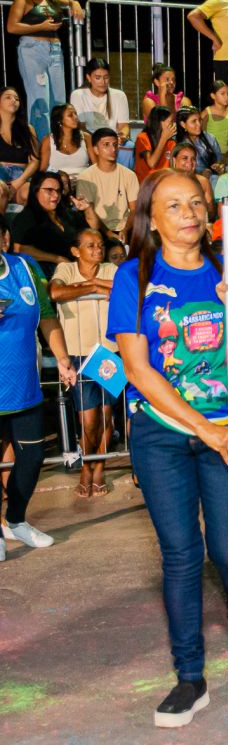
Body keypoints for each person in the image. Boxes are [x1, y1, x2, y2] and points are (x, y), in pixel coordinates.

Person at [106, 169, 228, 727]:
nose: (189, 214)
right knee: (181, 555)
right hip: (162, 434)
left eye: (196, 203)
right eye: (174, 205)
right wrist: (206, 429)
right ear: (151, 218)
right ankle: (190, 677)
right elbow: (138, 370)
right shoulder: (134, 275)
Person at [0, 213, 78, 562]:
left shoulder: (26, 268)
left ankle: (16, 520)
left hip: (23, 387)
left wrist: (62, 358)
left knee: (31, 458)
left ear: (4, 238)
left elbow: (47, 317)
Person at [49, 227, 118, 498]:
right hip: (77, 353)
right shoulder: (66, 269)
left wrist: (88, 286)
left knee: (106, 416)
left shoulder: (111, 269)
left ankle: (98, 469)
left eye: (100, 245)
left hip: (109, 352)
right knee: (88, 420)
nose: (98, 249)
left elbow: (125, 289)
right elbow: (55, 292)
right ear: (75, 251)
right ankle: (86, 466)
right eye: (90, 245)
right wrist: (94, 287)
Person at [7, 0, 82, 141]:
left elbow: (70, 2)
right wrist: (41, 26)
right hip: (33, 50)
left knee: (59, 101)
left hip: (55, 51)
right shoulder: (23, 0)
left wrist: (75, 3)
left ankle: (60, 143)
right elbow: (12, 27)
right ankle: (41, 145)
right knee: (40, 101)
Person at [12, 170, 94, 275]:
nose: (55, 195)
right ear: (36, 191)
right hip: (47, 271)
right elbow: (20, 249)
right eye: (49, 190)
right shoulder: (26, 218)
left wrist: (88, 209)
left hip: (77, 267)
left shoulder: (67, 214)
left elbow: (91, 232)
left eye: (58, 191)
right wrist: (57, 259)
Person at [76, 129, 140, 240]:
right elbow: (89, 213)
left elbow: (134, 209)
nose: (113, 149)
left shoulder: (129, 175)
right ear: (96, 149)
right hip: (97, 229)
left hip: (125, 228)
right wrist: (109, 234)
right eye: (106, 145)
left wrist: (125, 230)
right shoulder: (85, 177)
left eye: (115, 145)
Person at [0, 86, 39, 210]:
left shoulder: (28, 129)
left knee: (31, 193)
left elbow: (35, 161)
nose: (13, 100)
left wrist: (19, 182)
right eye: (8, 97)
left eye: (16, 99)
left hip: (21, 176)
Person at [40, 103, 92, 176]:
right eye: (70, 115)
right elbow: (43, 169)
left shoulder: (86, 137)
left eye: (75, 114)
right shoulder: (48, 140)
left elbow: (95, 165)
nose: (75, 117)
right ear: (59, 120)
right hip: (59, 180)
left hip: (83, 180)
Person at [170, 142, 216, 218]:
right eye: (185, 158)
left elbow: (211, 212)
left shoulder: (203, 182)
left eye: (193, 159)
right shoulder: (166, 183)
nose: (190, 162)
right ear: (174, 160)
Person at [176, 106, 224, 178]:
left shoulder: (210, 138)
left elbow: (219, 160)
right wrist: (200, 174)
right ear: (183, 124)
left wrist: (219, 167)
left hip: (212, 177)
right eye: (194, 121)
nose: (199, 124)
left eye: (200, 120)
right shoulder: (178, 143)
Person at [135, 106, 178, 180]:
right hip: (147, 182)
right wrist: (163, 139)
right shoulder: (143, 138)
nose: (173, 125)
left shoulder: (171, 142)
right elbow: (152, 163)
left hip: (165, 181)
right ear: (161, 122)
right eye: (171, 122)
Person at [201, 80, 228, 156]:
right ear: (213, 96)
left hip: (226, 153)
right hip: (210, 153)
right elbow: (201, 135)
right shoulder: (206, 112)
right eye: (222, 94)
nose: (226, 97)